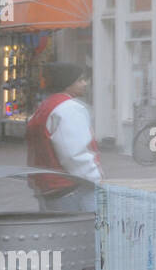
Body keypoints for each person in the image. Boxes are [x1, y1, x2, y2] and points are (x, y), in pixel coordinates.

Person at [26, 62, 102, 212]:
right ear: (67, 83)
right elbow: (74, 153)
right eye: (80, 80)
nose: (85, 83)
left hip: (48, 187)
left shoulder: (44, 107)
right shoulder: (69, 109)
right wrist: (95, 179)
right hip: (72, 188)